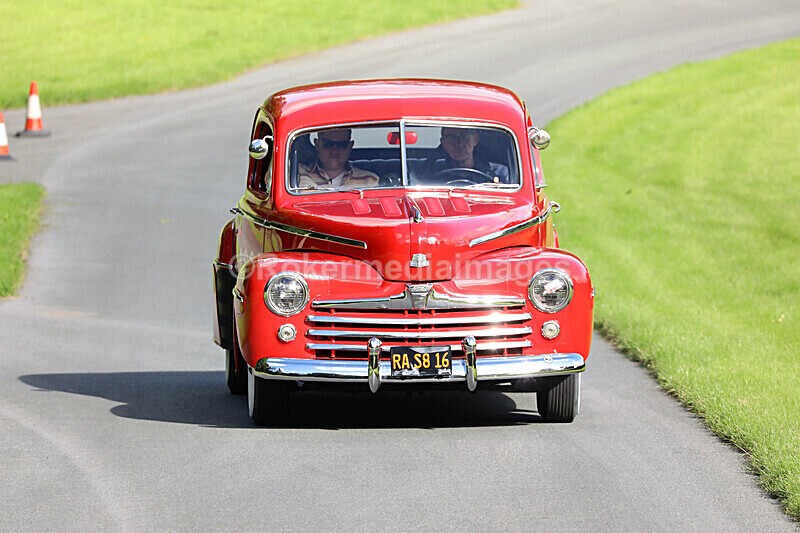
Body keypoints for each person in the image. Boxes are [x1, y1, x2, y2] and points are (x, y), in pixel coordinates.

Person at [423, 127, 509, 184]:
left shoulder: (499, 172)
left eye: (465, 136)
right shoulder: (431, 173)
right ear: (443, 143)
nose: (459, 143)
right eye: (452, 138)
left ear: (475, 140)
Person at [298, 128, 379, 189]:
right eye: (328, 144)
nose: (334, 151)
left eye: (341, 145)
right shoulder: (298, 174)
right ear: (317, 144)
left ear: (350, 147)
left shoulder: (369, 180)